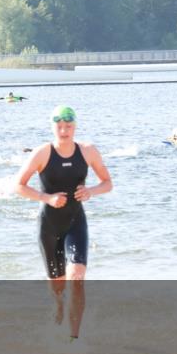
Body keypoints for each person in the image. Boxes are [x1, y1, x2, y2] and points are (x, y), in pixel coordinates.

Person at [15, 105, 113, 341]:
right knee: (58, 286)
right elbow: (19, 186)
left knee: (76, 277)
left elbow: (107, 182)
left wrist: (91, 191)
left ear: (75, 127)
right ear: (53, 127)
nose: (64, 130)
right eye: (59, 126)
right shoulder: (42, 153)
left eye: (68, 126)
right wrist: (46, 198)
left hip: (75, 223)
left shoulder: (88, 151)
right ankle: (59, 305)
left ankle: (74, 337)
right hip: (48, 226)